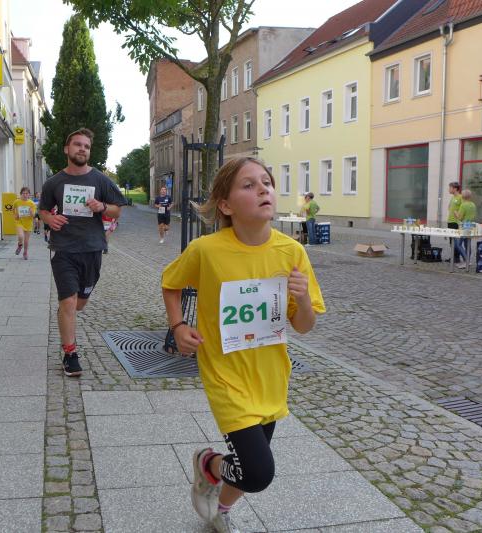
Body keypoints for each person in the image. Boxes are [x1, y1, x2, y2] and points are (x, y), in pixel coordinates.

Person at [161, 157, 325, 532]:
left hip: (270, 375)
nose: (263, 189)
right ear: (225, 204)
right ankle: (208, 464)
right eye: (248, 185)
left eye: (266, 182)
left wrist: (301, 299)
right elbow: (171, 284)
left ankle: (220, 509)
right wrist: (179, 325)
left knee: (249, 465)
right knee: (257, 471)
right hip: (226, 375)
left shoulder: (292, 253)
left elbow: (304, 326)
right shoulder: (206, 250)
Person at [39, 128, 126, 377]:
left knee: (79, 304)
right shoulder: (54, 182)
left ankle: (65, 313)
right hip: (63, 249)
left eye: (86, 146)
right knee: (68, 301)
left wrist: (102, 207)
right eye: (77, 144)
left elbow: (117, 210)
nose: (82, 149)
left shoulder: (100, 180)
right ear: (67, 149)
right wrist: (49, 219)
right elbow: (43, 210)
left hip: (92, 249)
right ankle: (70, 353)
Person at [454, 189, 477, 269]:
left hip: (463, 226)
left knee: (458, 244)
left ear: (463, 196)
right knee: (467, 244)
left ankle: (466, 261)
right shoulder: (473, 205)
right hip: (471, 226)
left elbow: (460, 218)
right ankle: (466, 261)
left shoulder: (463, 205)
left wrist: (455, 213)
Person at [13, 187, 37, 260]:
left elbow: (33, 215)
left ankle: (25, 252)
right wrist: (15, 215)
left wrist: (31, 212)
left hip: (28, 223)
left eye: (27, 193)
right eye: (23, 193)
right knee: (21, 236)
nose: (25, 195)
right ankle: (20, 245)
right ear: (21, 194)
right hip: (19, 222)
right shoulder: (16, 202)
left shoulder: (32, 203)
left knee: (26, 241)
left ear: (29, 194)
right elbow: (13, 210)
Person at [445, 181, 462, 262]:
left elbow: (462, 210)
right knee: (451, 241)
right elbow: (449, 207)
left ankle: (456, 258)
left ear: (455, 189)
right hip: (450, 221)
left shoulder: (460, 197)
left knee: (456, 241)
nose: (449, 189)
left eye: (450, 188)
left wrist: (459, 217)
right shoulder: (453, 197)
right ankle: (453, 257)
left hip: (456, 222)